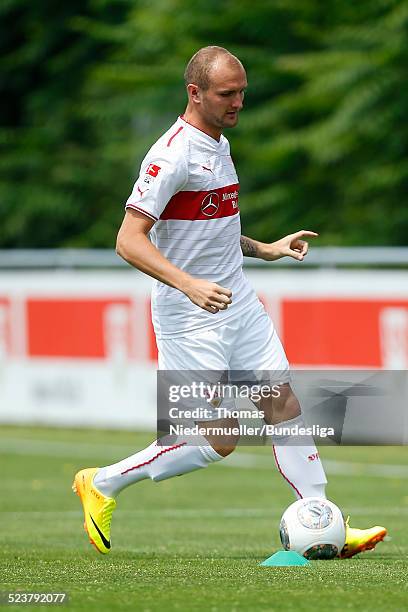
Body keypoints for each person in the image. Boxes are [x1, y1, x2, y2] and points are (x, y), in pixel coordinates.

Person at [72, 46, 386, 557]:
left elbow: (211, 230)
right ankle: (104, 481)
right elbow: (128, 240)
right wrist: (188, 284)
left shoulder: (218, 144)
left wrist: (265, 249)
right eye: (227, 94)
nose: (238, 102)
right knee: (217, 441)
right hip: (189, 317)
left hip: (236, 301)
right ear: (195, 93)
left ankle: (323, 517)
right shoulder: (170, 154)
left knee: (282, 403)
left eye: (242, 92)